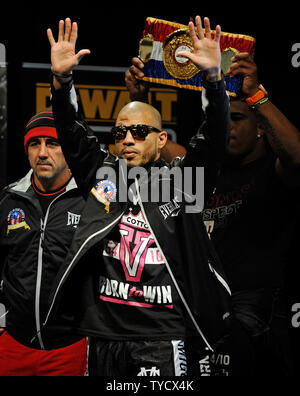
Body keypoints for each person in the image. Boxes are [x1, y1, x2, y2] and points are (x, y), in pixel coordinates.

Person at [45, 16, 232, 376]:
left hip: (162, 337)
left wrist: (213, 80)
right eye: (120, 133)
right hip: (103, 335)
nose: (127, 139)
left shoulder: (181, 183)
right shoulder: (104, 177)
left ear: (162, 139)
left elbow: (214, 139)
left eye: (140, 131)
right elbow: (70, 131)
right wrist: (62, 80)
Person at [126, 49, 300, 376]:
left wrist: (256, 97)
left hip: (255, 320)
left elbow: (297, 158)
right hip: (199, 310)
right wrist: (140, 100)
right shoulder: (201, 171)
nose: (229, 127)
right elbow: (150, 148)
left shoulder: (271, 170)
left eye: (237, 119)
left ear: (260, 127)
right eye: (224, 119)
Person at [0, 111, 87, 376]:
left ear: (68, 149)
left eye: (52, 143)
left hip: (70, 346)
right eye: (34, 144)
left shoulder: (90, 201)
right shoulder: (9, 200)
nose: (42, 153)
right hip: (12, 343)